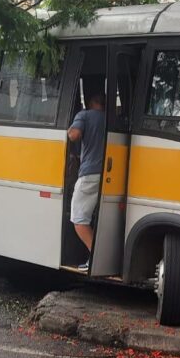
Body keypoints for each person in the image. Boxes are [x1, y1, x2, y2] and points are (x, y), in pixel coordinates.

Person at [67, 92, 106, 271]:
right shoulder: (111, 119)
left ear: (91, 102)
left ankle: (97, 259)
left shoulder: (84, 115)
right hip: (107, 175)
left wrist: (69, 130)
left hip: (89, 174)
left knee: (79, 219)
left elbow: (74, 135)